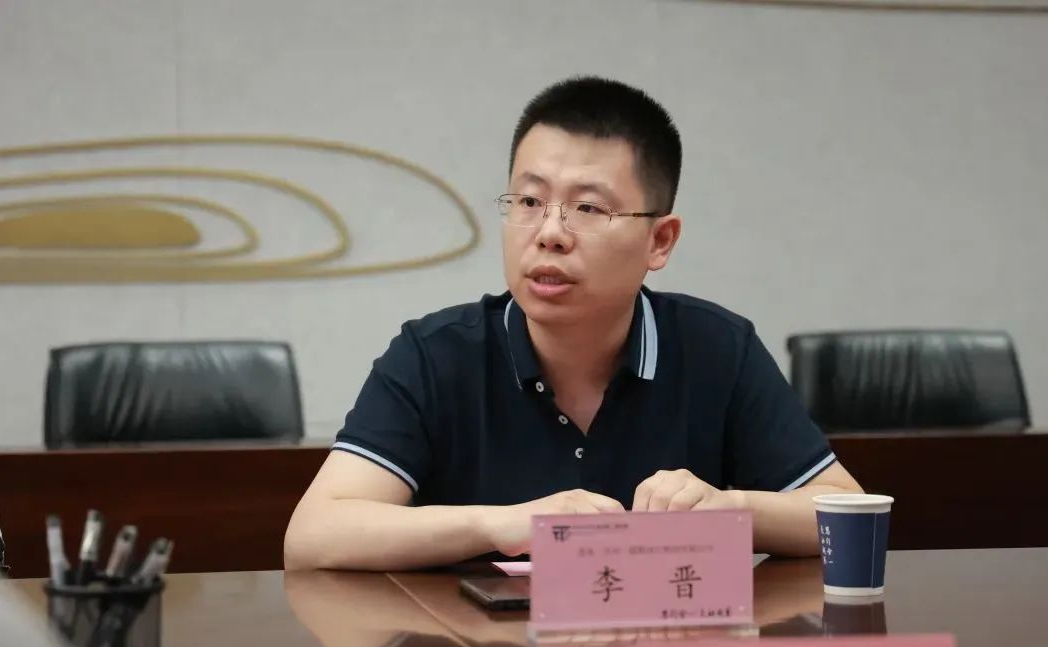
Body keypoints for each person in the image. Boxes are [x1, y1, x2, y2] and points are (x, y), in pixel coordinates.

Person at [284, 76, 863, 571]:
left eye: (588, 208)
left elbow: (848, 514)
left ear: (660, 240)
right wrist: (501, 525)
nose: (549, 233)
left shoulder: (717, 348)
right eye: (528, 202)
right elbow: (313, 535)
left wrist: (728, 509)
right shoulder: (433, 355)